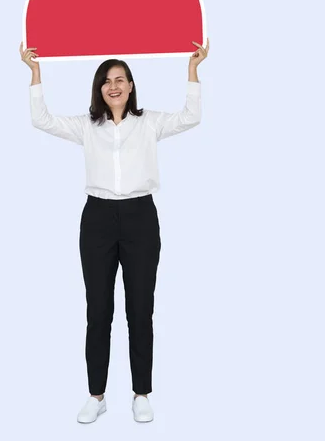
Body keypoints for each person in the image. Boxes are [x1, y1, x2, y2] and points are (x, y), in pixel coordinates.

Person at [19, 39, 210, 423]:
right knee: (99, 310)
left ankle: (141, 393)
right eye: (107, 80)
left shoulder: (149, 122)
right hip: (98, 220)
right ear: (99, 89)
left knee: (141, 309)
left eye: (120, 79)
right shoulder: (87, 127)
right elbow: (42, 120)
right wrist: (35, 73)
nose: (114, 85)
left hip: (141, 218)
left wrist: (192, 69)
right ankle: (97, 394)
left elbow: (190, 117)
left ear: (131, 85)